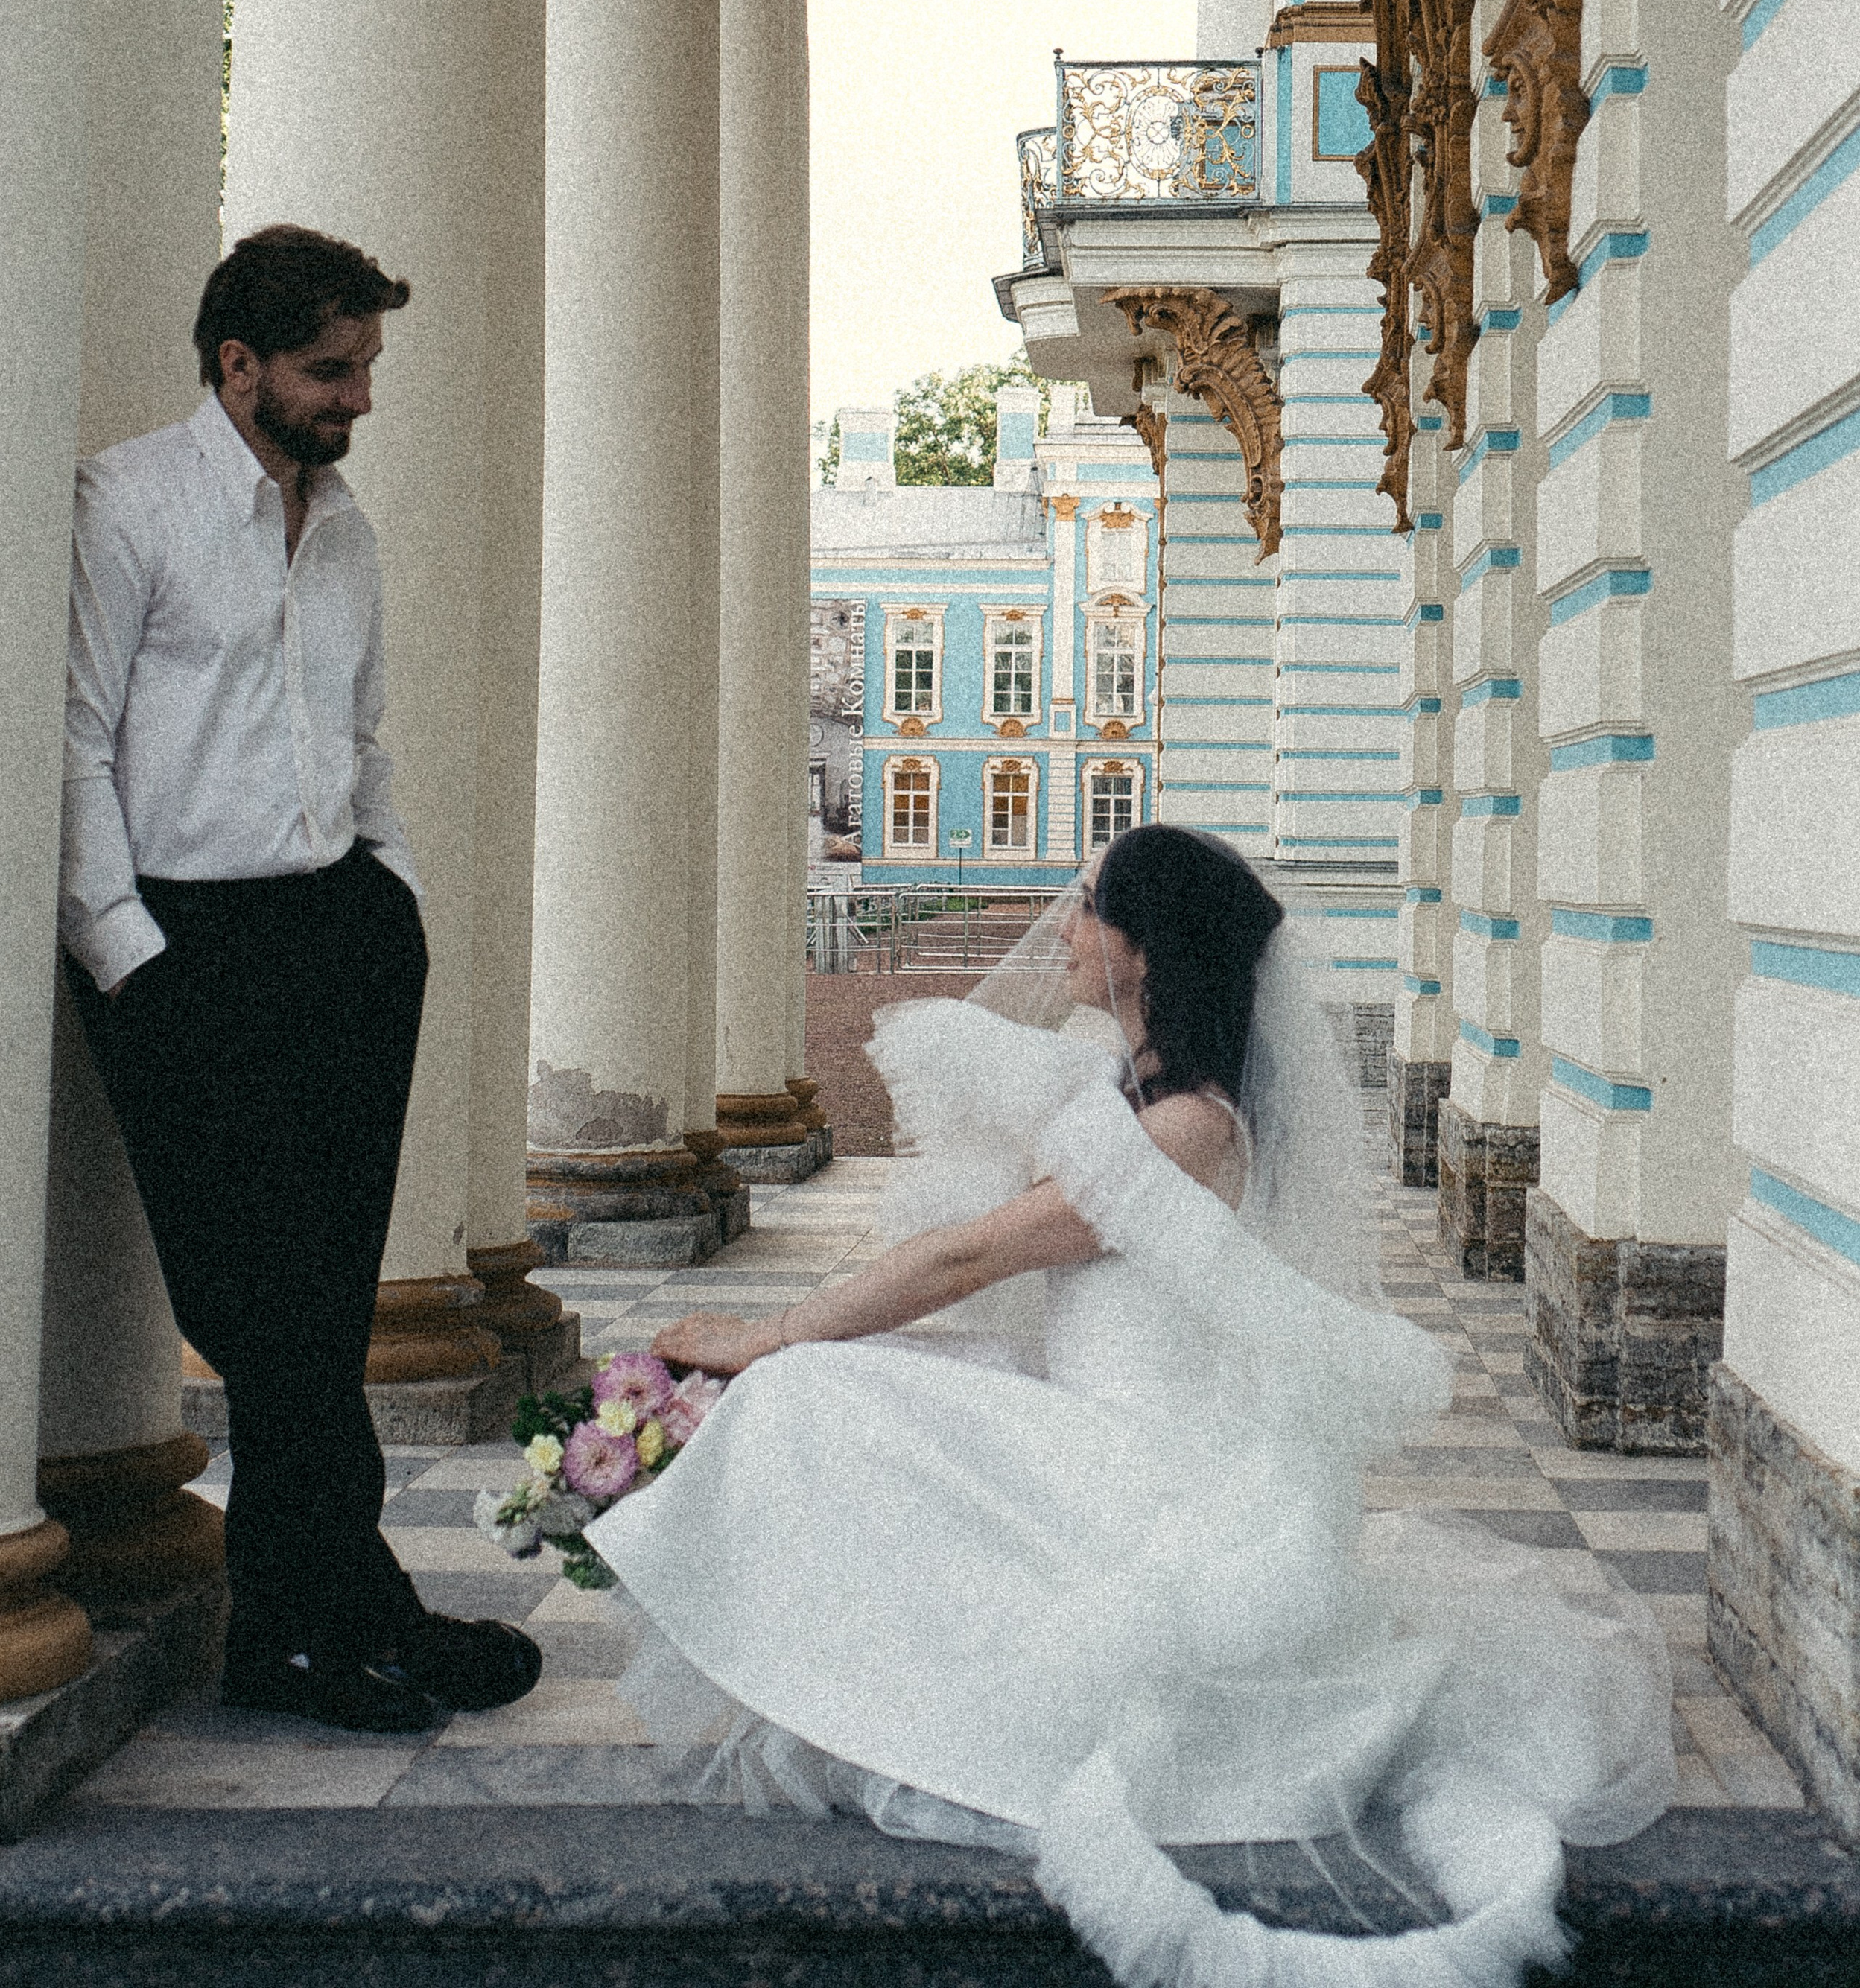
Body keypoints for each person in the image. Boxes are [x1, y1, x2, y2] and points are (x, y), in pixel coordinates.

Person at [588, 827, 1674, 1988]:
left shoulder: (1186, 1128)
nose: (1061, 926)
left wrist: (770, 1334)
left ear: (1146, 951)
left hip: (1148, 1464)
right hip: (1092, 1422)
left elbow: (968, 1260)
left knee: (812, 1391)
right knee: (862, 1392)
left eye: (1088, 905)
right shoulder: (1131, 1091)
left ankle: (869, 1688)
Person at [59, 223, 540, 1733]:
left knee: (321, 1321)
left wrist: (385, 896)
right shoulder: (125, 506)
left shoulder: (346, 532)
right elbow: (69, 744)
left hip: (335, 939)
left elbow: (363, 739)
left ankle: (320, 1620)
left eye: (368, 367)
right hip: (184, 955)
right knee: (264, 1320)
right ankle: (323, 1622)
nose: (360, 399)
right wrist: (130, 956)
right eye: (335, 370)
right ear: (239, 364)